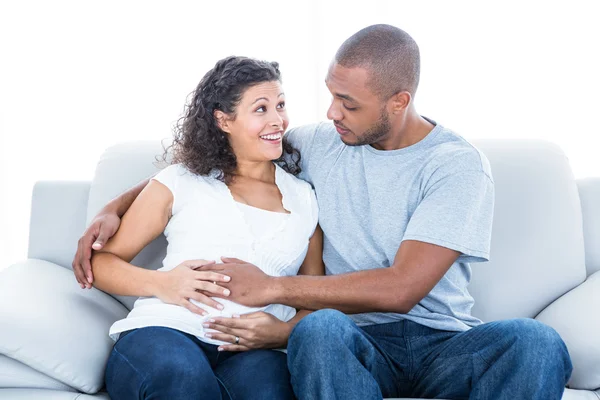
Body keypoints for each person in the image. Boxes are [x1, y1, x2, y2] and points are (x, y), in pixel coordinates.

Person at [75, 25, 573, 399]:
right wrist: (115, 205)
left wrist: (271, 288)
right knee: (320, 328)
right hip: (350, 342)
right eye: (331, 96)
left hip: (442, 343)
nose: (331, 113)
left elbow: (401, 289)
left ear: (398, 102)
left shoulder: (456, 167)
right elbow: (218, 156)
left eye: (347, 103)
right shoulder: (325, 141)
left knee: (537, 343)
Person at [87, 56, 323, 400]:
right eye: (261, 109)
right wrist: (162, 283)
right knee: (181, 381)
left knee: (269, 392)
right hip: (167, 331)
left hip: (253, 351)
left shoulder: (305, 199)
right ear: (224, 120)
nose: (278, 120)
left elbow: (313, 295)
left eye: (281, 105)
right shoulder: (181, 182)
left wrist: (285, 332)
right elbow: (103, 262)